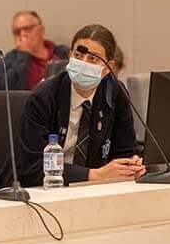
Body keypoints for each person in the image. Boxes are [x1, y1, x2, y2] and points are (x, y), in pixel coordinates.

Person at [11, 24, 146, 188]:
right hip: (38, 189)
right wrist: (93, 175)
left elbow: (123, 152)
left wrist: (129, 166)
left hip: (91, 190)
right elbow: (32, 167)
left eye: (93, 59)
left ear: (108, 68)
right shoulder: (44, 96)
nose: (83, 63)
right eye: (78, 55)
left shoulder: (115, 93)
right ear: (70, 56)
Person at [0, 11, 69, 91]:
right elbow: (4, 91)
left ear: (41, 29)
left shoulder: (61, 52)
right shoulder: (8, 61)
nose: (23, 34)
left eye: (27, 29)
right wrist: (23, 54)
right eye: (17, 32)